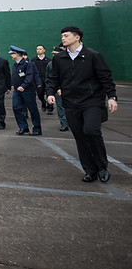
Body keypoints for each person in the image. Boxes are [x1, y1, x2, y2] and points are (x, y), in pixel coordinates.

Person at [47, 26, 118, 183]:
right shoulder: (59, 58)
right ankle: (89, 170)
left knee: (91, 130)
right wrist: (50, 93)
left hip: (92, 101)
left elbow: (105, 77)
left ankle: (101, 167)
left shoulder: (93, 56)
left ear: (77, 37)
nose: (63, 38)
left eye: (66, 36)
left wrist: (112, 97)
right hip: (71, 103)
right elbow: (53, 78)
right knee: (80, 137)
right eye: (62, 36)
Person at [9, 46, 42, 135]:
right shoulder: (15, 65)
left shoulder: (28, 64)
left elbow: (29, 76)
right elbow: (14, 77)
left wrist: (23, 86)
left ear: (17, 54)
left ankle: (37, 128)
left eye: (12, 54)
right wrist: (12, 85)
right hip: (17, 91)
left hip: (28, 91)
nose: (11, 55)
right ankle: (23, 127)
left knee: (32, 109)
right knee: (16, 108)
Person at [48, 44, 69, 131]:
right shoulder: (50, 64)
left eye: (56, 54)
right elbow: (49, 78)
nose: (54, 56)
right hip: (57, 90)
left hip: (68, 89)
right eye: (53, 54)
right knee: (60, 107)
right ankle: (64, 123)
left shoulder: (68, 63)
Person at [32, 45, 53, 115]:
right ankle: (43, 103)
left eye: (40, 49)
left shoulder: (49, 60)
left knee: (49, 93)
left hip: (47, 79)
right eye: (37, 49)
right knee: (40, 93)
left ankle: (50, 108)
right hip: (38, 80)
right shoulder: (34, 60)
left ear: (44, 50)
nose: (38, 50)